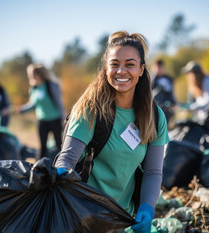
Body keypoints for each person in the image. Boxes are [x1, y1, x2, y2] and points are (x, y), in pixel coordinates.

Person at [54, 31, 170, 233]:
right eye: (115, 64)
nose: (121, 71)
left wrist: (147, 208)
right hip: (83, 216)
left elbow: (152, 171)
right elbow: (67, 159)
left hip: (122, 219)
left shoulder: (155, 116)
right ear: (106, 67)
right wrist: (61, 176)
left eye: (130, 64)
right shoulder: (90, 108)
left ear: (141, 70)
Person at [17, 63, 65, 159]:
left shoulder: (50, 86)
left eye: (31, 74)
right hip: (42, 121)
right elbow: (32, 104)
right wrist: (21, 109)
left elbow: (59, 104)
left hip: (55, 119)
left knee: (59, 145)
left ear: (39, 74)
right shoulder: (33, 88)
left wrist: (63, 119)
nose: (29, 76)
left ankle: (62, 167)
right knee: (42, 147)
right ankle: (39, 169)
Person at [182, 61, 209, 129]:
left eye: (190, 73)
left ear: (195, 74)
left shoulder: (207, 81)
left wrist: (193, 107)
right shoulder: (203, 82)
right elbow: (201, 101)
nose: (188, 77)